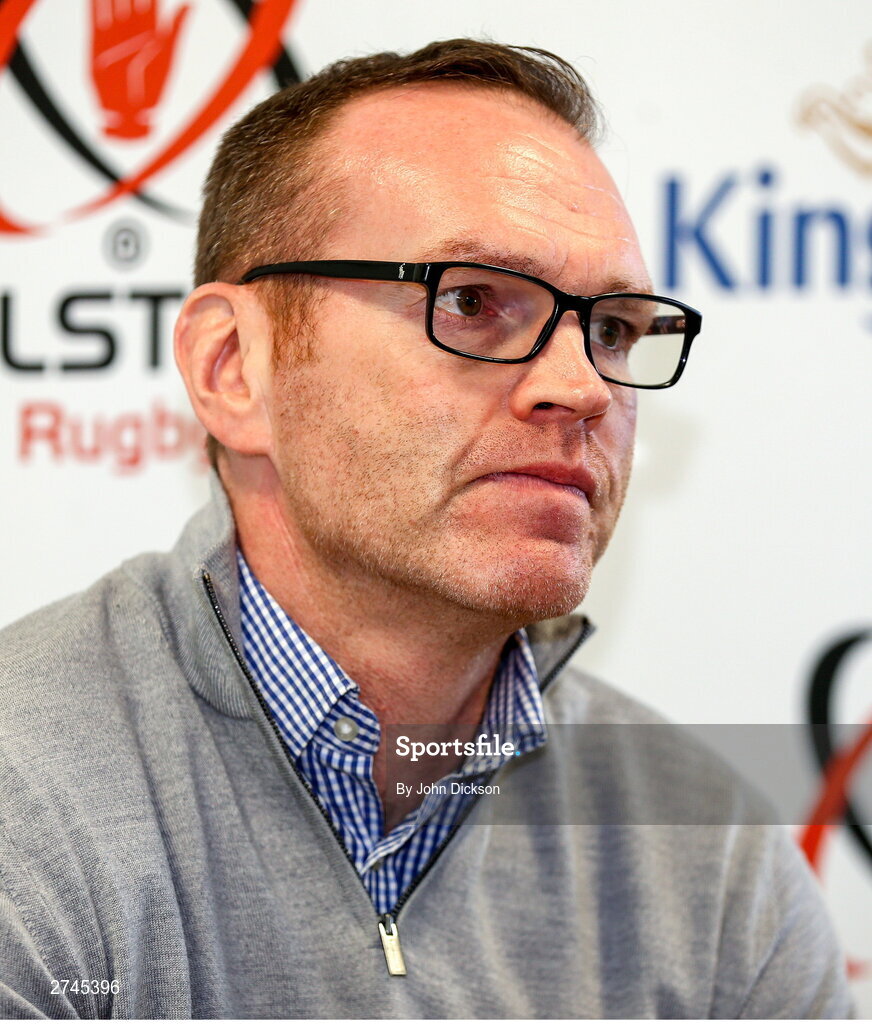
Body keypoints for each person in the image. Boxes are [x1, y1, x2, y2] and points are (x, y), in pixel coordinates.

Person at [0, 39, 853, 1019]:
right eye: (472, 302)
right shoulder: (24, 791)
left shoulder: (712, 864)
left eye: (611, 329)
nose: (580, 386)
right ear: (234, 366)